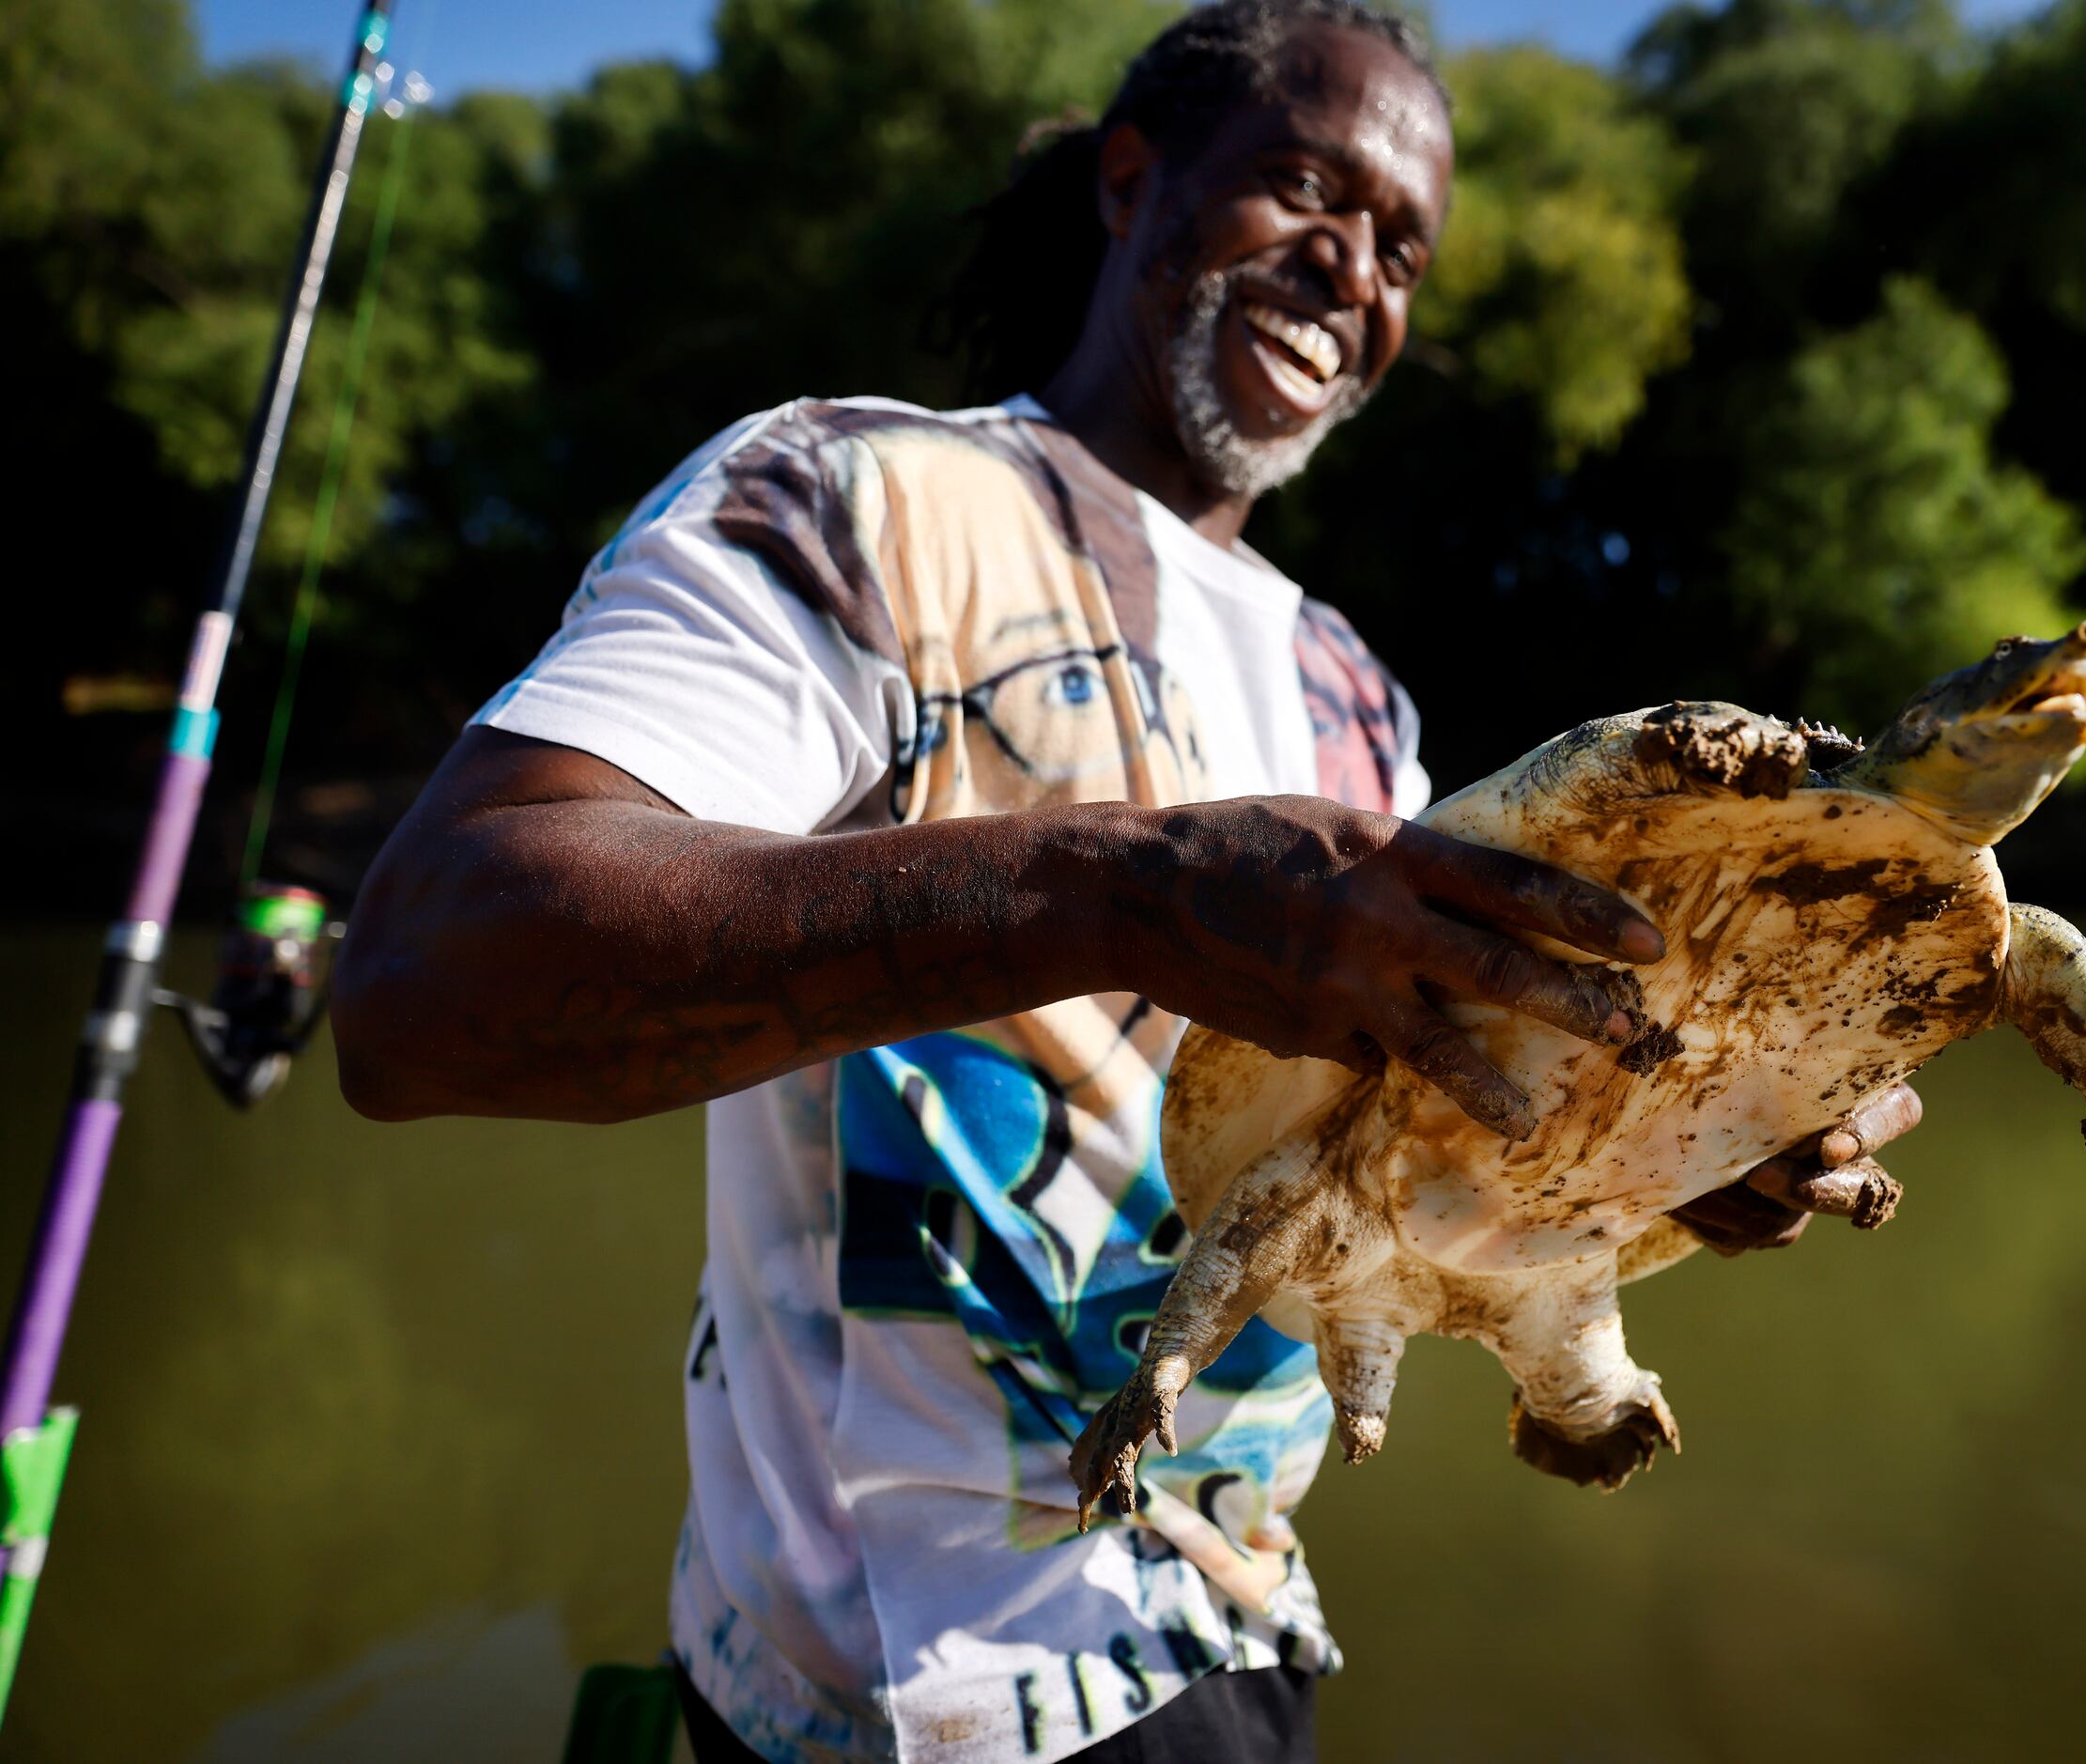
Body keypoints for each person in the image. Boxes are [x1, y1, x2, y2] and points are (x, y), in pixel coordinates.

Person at [332, 5, 1913, 1760]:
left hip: (1232, 1653)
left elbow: (1401, 1196)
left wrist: (1673, 1162)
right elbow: (424, 985)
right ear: (1130, 180)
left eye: (1401, 246)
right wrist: (1123, 892)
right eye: (1303, 189)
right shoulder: (855, 496)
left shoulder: (1356, 697)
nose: (1351, 268)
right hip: (869, 1701)